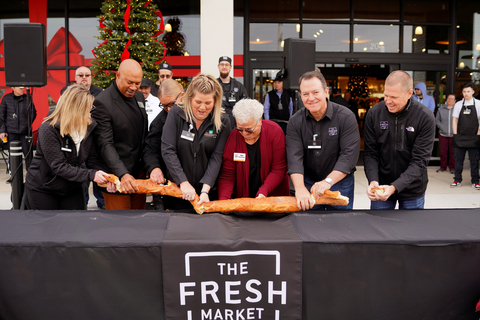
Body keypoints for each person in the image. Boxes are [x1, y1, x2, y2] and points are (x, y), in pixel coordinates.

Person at [23, 85, 110, 210]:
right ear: (75, 109)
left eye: (92, 109)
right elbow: (59, 166)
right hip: (44, 188)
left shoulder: (89, 127)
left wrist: (104, 177)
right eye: (88, 111)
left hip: (72, 187)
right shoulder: (48, 129)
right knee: (48, 228)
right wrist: (92, 175)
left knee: (75, 226)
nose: (90, 116)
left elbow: (92, 159)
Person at [286, 71, 360, 211]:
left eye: (315, 92)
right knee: (308, 228)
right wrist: (300, 188)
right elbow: (294, 158)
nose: (311, 98)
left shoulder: (345, 117)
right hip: (308, 183)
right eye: (305, 94)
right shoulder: (295, 121)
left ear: (326, 92)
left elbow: (349, 156)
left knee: (340, 228)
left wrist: (328, 181)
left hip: (339, 182)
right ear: (300, 96)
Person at [364, 70, 436, 210]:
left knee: (410, 231)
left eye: (394, 97)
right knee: (380, 229)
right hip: (381, 186)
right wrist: (373, 180)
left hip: (412, 189)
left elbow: (420, 161)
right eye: (386, 95)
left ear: (409, 94)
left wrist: (395, 187)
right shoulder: (374, 114)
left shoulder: (425, 117)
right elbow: (370, 153)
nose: (388, 101)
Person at [161, 74, 231, 210]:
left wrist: (205, 190)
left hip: (207, 193)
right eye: (198, 102)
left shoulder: (223, 121)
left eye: (208, 103)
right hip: (177, 191)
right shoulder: (175, 113)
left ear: (215, 101)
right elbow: (168, 149)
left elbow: (217, 157)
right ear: (190, 98)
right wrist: (183, 182)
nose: (202, 108)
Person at [92, 59, 148, 210]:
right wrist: (122, 174)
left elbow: (142, 133)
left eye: (138, 83)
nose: (134, 87)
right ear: (117, 76)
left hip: (139, 174)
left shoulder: (139, 97)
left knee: (139, 220)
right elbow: (105, 144)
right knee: (121, 226)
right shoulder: (102, 102)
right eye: (130, 82)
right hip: (116, 177)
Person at [218, 98, 289, 200]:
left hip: (272, 198)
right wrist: (224, 200)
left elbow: (279, 169)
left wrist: (263, 192)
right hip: (242, 200)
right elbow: (227, 175)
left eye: (249, 130)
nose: (244, 133)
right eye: (240, 129)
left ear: (259, 120)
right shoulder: (234, 137)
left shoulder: (274, 132)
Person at [60, 66, 105, 209]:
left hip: (94, 143)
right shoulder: (66, 93)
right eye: (81, 75)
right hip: (75, 143)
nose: (84, 77)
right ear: (75, 78)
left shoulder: (101, 94)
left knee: (98, 179)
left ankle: (103, 206)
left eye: (87, 75)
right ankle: (82, 205)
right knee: (81, 183)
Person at [144, 79, 185, 209]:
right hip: (168, 184)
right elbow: (150, 149)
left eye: (171, 104)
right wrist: (154, 168)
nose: (168, 109)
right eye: (164, 106)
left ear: (182, 96)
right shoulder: (159, 122)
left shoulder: (196, 115)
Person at [451, 83, 480, 189]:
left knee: (474, 161)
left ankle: (475, 181)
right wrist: (455, 134)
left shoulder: (478, 104)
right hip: (460, 137)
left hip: (474, 137)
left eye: (468, 91)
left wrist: (478, 134)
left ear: (473, 92)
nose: (466, 94)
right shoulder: (458, 104)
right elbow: (455, 120)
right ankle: (457, 180)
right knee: (458, 161)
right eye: (464, 91)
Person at [0, 86, 37, 172]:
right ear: (13, 88)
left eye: (23, 88)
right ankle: (12, 174)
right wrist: (2, 130)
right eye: (20, 88)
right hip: (11, 131)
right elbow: (1, 116)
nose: (23, 89)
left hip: (25, 132)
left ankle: (30, 174)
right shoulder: (6, 98)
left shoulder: (28, 98)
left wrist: (27, 124)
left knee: (28, 154)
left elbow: (33, 112)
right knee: (12, 155)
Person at [217, 56, 248, 130]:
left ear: (230, 67)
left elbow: (246, 104)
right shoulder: (214, 85)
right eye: (222, 64)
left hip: (234, 125)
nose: (224, 67)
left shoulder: (238, 86)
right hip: (218, 123)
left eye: (226, 65)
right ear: (218, 66)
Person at [435, 93, 456, 173]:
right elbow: (437, 120)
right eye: (448, 98)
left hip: (453, 134)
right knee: (443, 152)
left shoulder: (457, 109)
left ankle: (452, 168)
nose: (449, 100)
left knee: (452, 152)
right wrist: (442, 127)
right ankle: (443, 167)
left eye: (451, 99)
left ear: (454, 101)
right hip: (443, 134)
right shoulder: (441, 109)